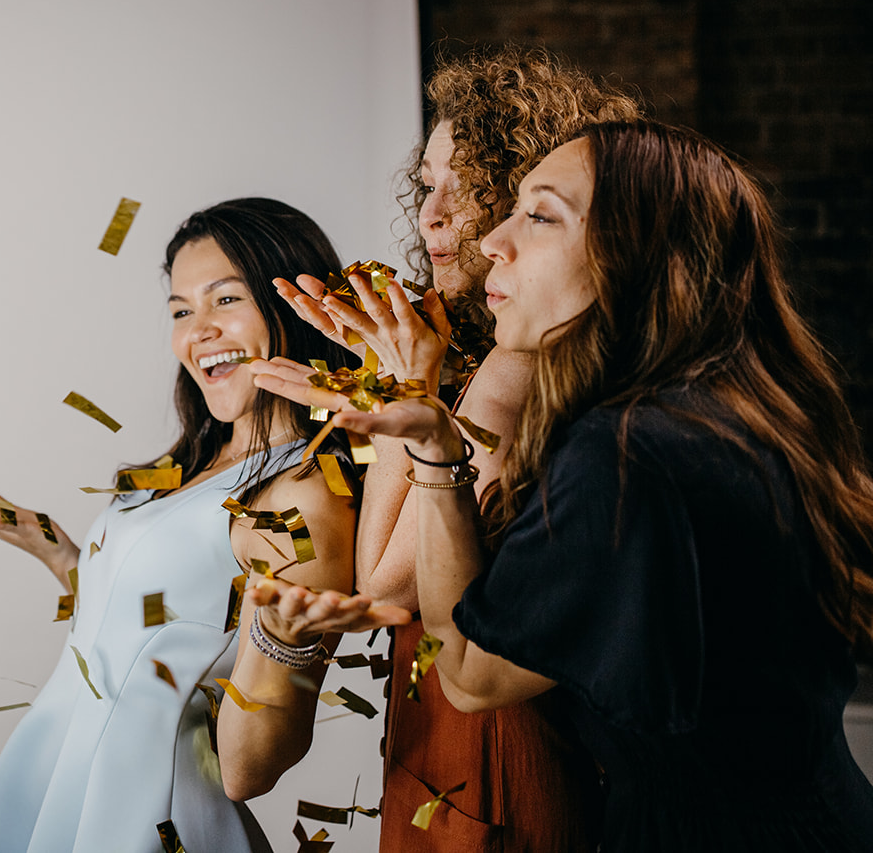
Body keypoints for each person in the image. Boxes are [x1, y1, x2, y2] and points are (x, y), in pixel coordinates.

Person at [250, 120, 873, 851]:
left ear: (633, 254)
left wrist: (434, 450)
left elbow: (469, 673)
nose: (492, 240)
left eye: (540, 215)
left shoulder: (625, 453)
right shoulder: (731, 410)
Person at [232, 45, 637, 849]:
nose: (433, 214)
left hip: (498, 766)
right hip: (446, 755)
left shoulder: (517, 367)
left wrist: (395, 396)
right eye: (425, 185)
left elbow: (383, 583)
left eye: (472, 182)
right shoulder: (484, 351)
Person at [0, 198, 370, 853]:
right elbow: (159, 632)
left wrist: (283, 639)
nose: (200, 331)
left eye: (225, 299)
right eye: (182, 311)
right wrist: (69, 560)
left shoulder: (303, 492)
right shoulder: (192, 462)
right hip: (63, 776)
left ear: (299, 303)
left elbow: (249, 769)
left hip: (149, 816)